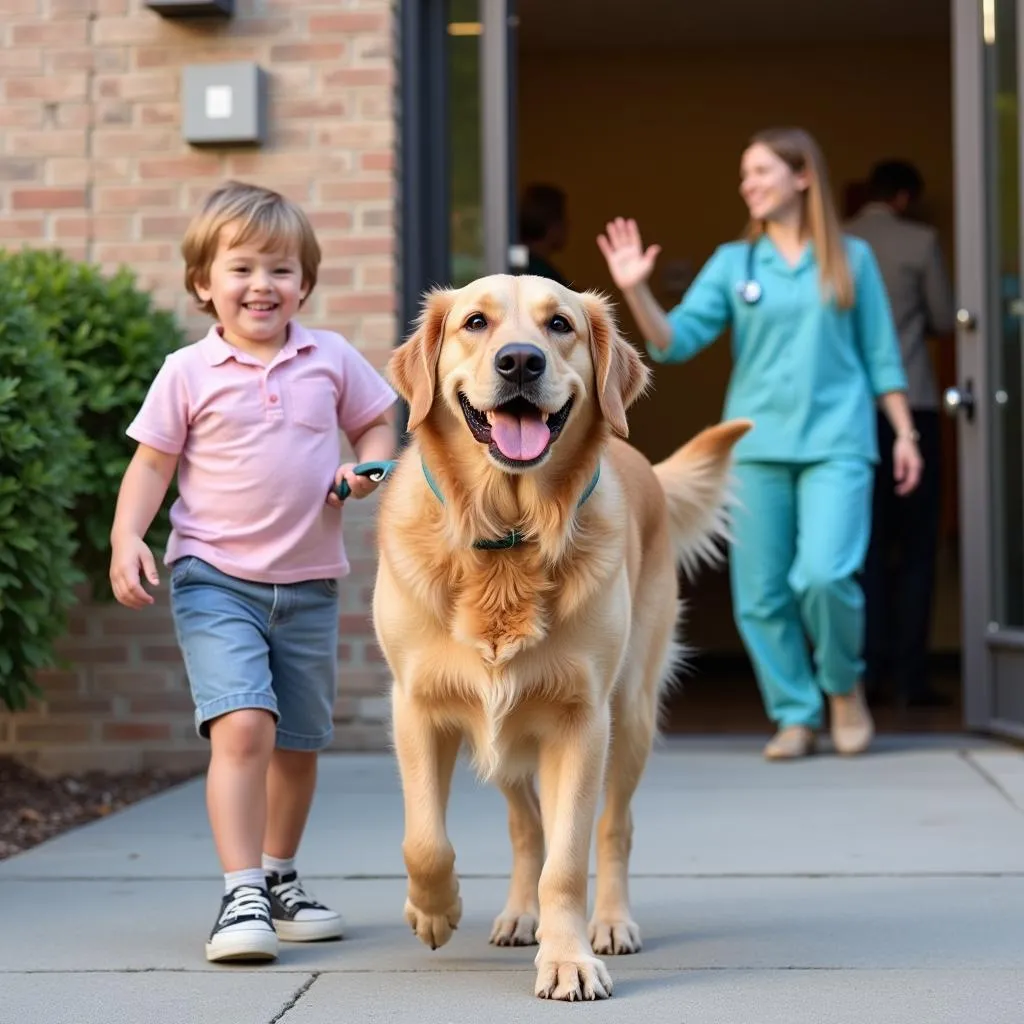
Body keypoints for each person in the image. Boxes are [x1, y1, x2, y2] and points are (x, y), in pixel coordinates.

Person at [108, 181, 397, 962]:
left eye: (281, 269)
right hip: (214, 577)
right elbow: (152, 463)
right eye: (240, 269)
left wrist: (368, 467)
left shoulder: (329, 356)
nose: (261, 285)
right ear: (204, 283)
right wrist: (126, 537)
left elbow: (376, 419)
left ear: (305, 281)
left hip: (308, 584)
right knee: (244, 725)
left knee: (299, 743)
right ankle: (240, 894)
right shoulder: (187, 371)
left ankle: (278, 876)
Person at [596, 127, 922, 761]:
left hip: (838, 443)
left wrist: (905, 432)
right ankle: (795, 713)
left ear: (803, 177)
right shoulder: (734, 263)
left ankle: (842, 687)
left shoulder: (851, 261)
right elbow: (673, 341)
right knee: (764, 593)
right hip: (755, 449)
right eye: (744, 174)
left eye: (762, 171)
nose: (749, 184)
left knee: (825, 576)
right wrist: (633, 286)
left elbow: (883, 355)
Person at [845, 160, 955, 708]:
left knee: (857, 548)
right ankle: (911, 677)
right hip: (913, 405)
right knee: (914, 550)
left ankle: (863, 676)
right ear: (906, 197)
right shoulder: (921, 240)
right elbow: (943, 316)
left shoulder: (835, 243)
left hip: (847, 414)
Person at [514, 183, 570, 285]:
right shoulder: (545, 278)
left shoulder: (516, 263)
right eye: (563, 218)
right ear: (553, 225)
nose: (568, 225)